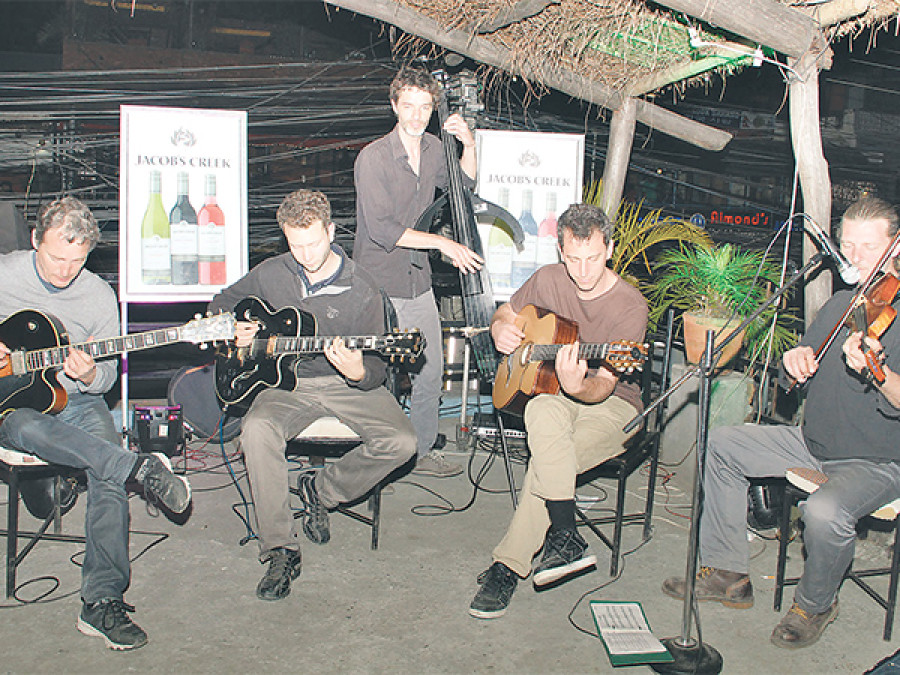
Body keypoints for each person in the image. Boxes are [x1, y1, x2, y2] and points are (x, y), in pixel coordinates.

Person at [662, 196, 900, 649]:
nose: (854, 257)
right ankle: (729, 572)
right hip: (814, 442)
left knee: (826, 511)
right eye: (847, 244)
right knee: (723, 444)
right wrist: (793, 363)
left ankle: (815, 605)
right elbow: (799, 376)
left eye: (868, 247)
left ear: (896, 248)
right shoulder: (841, 305)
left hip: (877, 459)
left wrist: (879, 372)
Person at [0, 196, 192, 650]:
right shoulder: (5, 273)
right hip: (14, 408)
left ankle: (101, 601)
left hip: (76, 402)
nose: (65, 271)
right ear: (35, 240)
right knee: (29, 429)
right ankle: (137, 467)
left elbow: (105, 379)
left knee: (106, 474)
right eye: (55, 258)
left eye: (77, 261)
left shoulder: (98, 296)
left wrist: (91, 373)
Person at [208, 189, 416, 601]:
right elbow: (223, 302)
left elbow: (377, 368)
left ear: (331, 231)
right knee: (256, 430)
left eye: (313, 243)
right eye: (295, 245)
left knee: (402, 441)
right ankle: (281, 549)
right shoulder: (271, 272)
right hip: (286, 384)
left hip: (344, 384)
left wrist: (359, 370)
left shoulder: (362, 286)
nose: (304, 254)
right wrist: (235, 327)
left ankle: (322, 490)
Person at [468, 203, 648, 619]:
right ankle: (565, 535)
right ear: (560, 252)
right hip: (554, 396)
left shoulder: (629, 305)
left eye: (593, 258)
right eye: (573, 259)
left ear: (610, 250)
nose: (583, 271)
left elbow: (604, 384)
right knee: (543, 411)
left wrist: (578, 385)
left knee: (546, 464)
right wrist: (499, 329)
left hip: (613, 407)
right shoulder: (547, 279)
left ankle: (507, 565)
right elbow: (506, 311)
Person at [353, 66, 484, 478]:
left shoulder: (433, 149)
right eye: (408, 105)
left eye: (424, 107)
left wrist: (469, 144)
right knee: (378, 372)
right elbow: (382, 229)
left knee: (430, 370)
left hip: (417, 278)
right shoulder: (373, 157)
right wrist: (443, 243)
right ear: (394, 105)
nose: (415, 115)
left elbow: (464, 187)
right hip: (378, 280)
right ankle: (376, 454)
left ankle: (421, 450)